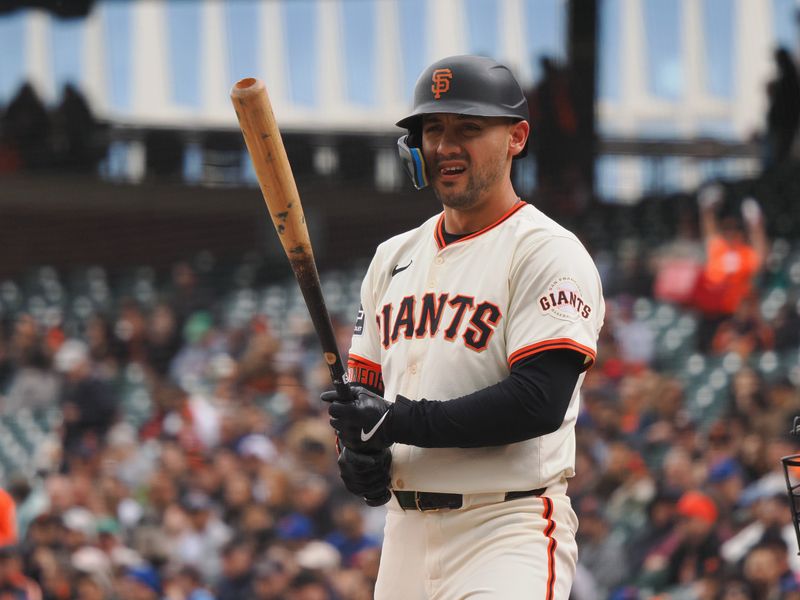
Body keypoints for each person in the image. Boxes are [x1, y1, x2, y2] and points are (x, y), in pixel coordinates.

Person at [321, 55, 605, 599]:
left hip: (506, 526)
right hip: (405, 534)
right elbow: (367, 396)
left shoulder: (546, 251)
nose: (445, 145)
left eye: (468, 128)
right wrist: (357, 452)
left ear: (516, 137)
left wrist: (395, 423)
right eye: (433, 129)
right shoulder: (392, 257)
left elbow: (536, 401)